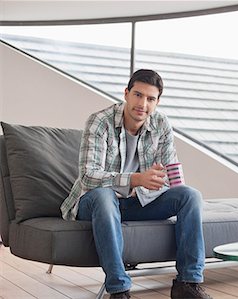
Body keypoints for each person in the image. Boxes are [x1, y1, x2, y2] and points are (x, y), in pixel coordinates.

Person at [60, 69, 212, 299]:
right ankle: (119, 289)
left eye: (151, 99)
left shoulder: (161, 124)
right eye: (138, 95)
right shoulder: (100, 122)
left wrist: (164, 183)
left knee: (189, 195)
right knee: (104, 195)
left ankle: (187, 284)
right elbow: (89, 176)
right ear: (126, 94)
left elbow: (170, 174)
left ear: (157, 101)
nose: (143, 104)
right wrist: (135, 179)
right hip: (95, 203)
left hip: (137, 202)